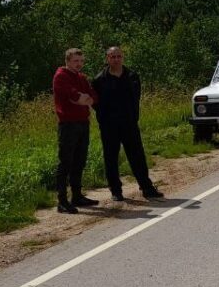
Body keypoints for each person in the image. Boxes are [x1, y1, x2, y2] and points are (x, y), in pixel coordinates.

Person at [92, 46, 164, 203]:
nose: (116, 59)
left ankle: (147, 188)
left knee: (137, 156)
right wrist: (104, 119)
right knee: (111, 158)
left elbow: (135, 98)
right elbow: (96, 103)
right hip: (109, 126)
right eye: (112, 57)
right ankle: (116, 191)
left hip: (129, 124)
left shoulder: (132, 76)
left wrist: (133, 117)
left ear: (122, 57)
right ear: (107, 59)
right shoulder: (99, 80)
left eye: (118, 56)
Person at [52, 48, 98, 214]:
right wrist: (81, 98)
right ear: (67, 61)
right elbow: (72, 95)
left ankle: (77, 196)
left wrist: (83, 98)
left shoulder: (81, 77)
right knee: (66, 162)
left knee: (80, 160)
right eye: (75, 61)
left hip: (83, 123)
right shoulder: (61, 76)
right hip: (68, 124)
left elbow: (93, 96)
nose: (79, 64)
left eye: (81, 61)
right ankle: (62, 201)